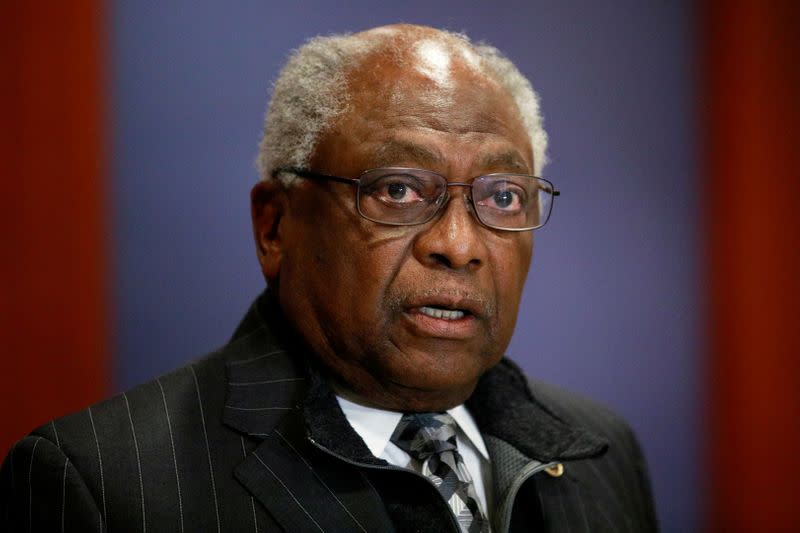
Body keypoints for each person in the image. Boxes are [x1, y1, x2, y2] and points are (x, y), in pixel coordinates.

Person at [0, 24, 657, 532]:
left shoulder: (602, 451)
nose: (459, 244)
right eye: (398, 188)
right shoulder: (100, 483)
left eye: (504, 197)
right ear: (277, 226)